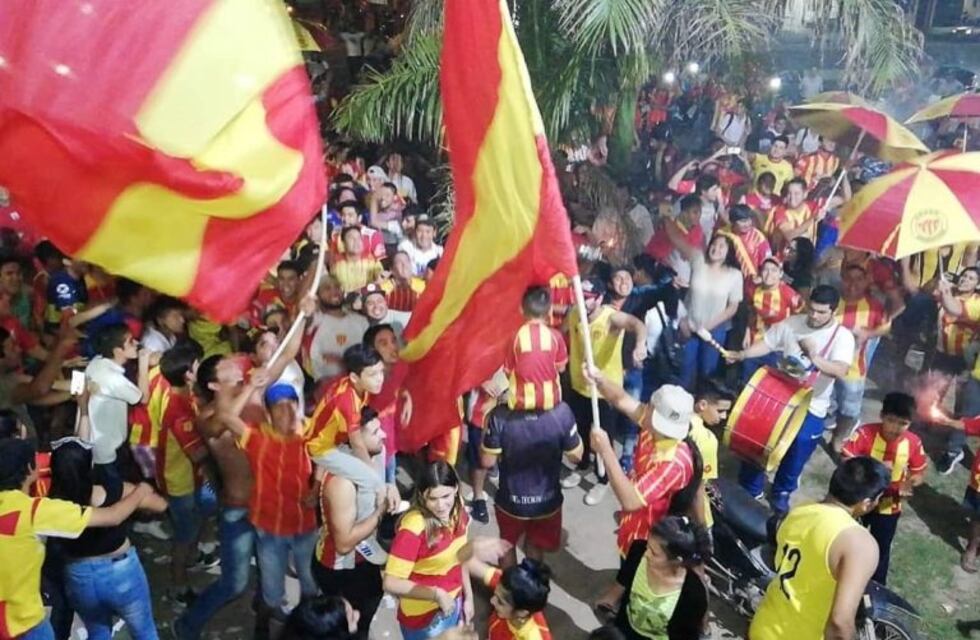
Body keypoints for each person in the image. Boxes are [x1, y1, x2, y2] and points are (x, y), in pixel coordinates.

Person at [0, 438, 157, 640]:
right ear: (31, 469)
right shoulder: (36, 511)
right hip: (23, 621)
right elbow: (113, 516)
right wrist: (142, 490)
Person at [727, 285, 855, 513]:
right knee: (757, 441)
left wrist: (813, 355)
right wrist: (742, 354)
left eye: (821, 312)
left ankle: (781, 493)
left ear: (833, 311)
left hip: (812, 404)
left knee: (797, 451)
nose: (814, 316)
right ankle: (750, 488)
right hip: (780, 396)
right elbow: (768, 342)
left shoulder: (842, 337)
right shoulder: (792, 323)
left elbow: (840, 370)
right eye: (811, 309)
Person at [583, 377, 701, 620]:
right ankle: (619, 589)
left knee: (639, 564)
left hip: (652, 527)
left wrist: (606, 451)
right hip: (637, 520)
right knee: (628, 558)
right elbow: (621, 399)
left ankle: (625, 603)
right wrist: (599, 379)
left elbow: (630, 499)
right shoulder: (654, 426)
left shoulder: (673, 462)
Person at [219, 377, 320, 634]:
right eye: (278, 406)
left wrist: (316, 489)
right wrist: (252, 387)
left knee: (311, 585)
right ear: (268, 412)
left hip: (306, 526)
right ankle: (262, 630)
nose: (285, 410)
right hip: (270, 528)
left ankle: (306, 630)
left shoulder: (312, 433)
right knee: (272, 592)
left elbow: (327, 461)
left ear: (298, 406)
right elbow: (226, 416)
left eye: (290, 404)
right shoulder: (256, 436)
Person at [749, 457, 890, 640]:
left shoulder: (799, 511)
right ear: (865, 503)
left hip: (763, 626)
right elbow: (840, 622)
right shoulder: (859, 544)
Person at [49, 439, 168, 640]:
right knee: (145, 632)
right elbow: (158, 505)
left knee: (97, 633)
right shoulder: (112, 489)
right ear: (90, 468)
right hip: (121, 571)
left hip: (79, 575)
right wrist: (140, 492)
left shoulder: (51, 504)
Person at [312, 406, 395, 639]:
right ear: (355, 438)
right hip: (342, 570)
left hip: (362, 559)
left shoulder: (362, 459)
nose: (384, 435)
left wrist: (388, 488)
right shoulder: (342, 483)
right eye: (376, 432)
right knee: (351, 626)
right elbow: (344, 544)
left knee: (367, 613)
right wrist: (380, 512)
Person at [562, 277, 646, 505]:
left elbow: (635, 324)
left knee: (603, 438)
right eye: (582, 298)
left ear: (600, 298)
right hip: (579, 386)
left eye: (589, 299)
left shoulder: (610, 318)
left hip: (605, 392)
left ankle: (603, 480)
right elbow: (562, 332)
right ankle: (581, 466)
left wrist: (640, 343)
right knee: (580, 432)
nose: (584, 304)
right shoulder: (574, 313)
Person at [481, 397, 583, 567]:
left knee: (506, 545)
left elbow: (487, 462)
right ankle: (531, 585)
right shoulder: (561, 412)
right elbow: (576, 457)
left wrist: (487, 426)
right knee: (536, 544)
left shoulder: (500, 415)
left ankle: (510, 590)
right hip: (547, 501)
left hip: (510, 501)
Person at [840, 392, 925, 584]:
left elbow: (919, 473)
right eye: (891, 421)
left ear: (910, 423)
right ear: (882, 416)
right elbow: (846, 460)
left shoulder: (913, 442)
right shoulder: (864, 433)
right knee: (847, 536)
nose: (896, 428)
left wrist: (910, 482)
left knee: (881, 547)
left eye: (903, 423)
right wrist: (871, 468)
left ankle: (877, 585)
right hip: (859, 499)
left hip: (889, 505)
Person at [155, 342, 216, 607]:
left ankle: (192, 558)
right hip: (180, 482)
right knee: (185, 533)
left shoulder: (185, 396)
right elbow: (197, 454)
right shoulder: (179, 412)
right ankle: (178, 586)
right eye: (197, 364)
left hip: (191, 478)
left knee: (199, 518)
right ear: (188, 374)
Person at [384, 461, 473, 640]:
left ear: (456, 488)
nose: (441, 506)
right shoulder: (413, 528)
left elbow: (461, 557)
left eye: (446, 496)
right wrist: (437, 594)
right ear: (422, 496)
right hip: (423, 618)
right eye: (432, 498)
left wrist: (468, 597)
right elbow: (390, 582)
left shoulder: (459, 511)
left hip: (454, 602)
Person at [663, 227, 743, 392]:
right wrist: (667, 222)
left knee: (707, 374)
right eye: (714, 244)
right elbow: (680, 243)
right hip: (689, 327)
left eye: (722, 247)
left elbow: (732, 307)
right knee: (684, 371)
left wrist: (707, 326)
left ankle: (702, 407)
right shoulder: (699, 260)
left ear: (728, 252)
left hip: (715, 331)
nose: (716, 249)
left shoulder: (734, 275)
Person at [613, 516, 709, 640]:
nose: (646, 554)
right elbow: (625, 578)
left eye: (654, 553)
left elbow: (686, 635)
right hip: (624, 630)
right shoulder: (638, 550)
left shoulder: (692, 594)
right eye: (648, 546)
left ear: (677, 561)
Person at [829, 264, 890, 451]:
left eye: (858, 279)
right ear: (842, 279)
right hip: (826, 367)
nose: (853, 284)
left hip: (854, 369)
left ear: (866, 281)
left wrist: (868, 334)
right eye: (848, 278)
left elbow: (886, 326)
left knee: (849, 411)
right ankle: (830, 424)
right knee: (827, 404)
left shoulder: (873, 306)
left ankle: (840, 437)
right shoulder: (832, 301)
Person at [85, 324, 150, 483]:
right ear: (117, 351)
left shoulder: (97, 362)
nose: (136, 344)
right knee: (114, 488)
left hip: (95, 442)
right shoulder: (113, 379)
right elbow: (143, 398)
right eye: (130, 342)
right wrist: (143, 363)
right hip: (107, 450)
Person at [933, 268, 980, 474]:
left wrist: (945, 294)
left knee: (966, 409)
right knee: (937, 394)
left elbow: (954, 308)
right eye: (964, 275)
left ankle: (955, 450)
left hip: (964, 360)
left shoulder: (976, 302)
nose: (965, 279)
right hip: (949, 357)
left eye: (971, 278)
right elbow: (949, 308)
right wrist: (942, 288)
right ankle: (945, 441)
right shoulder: (951, 292)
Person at [308, 344, 386, 464]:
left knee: (381, 450)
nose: (380, 379)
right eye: (373, 375)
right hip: (323, 449)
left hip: (338, 442)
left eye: (381, 372)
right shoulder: (346, 400)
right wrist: (372, 474)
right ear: (354, 377)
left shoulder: (361, 387)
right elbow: (357, 444)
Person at [742, 258, 803, 381]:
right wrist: (747, 332)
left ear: (781, 274)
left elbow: (801, 316)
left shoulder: (789, 294)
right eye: (766, 270)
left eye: (774, 270)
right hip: (755, 343)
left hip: (778, 348)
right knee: (748, 382)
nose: (769, 274)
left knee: (771, 384)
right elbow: (750, 311)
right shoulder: (753, 290)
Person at [307, 275, 370, 383]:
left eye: (337, 287)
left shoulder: (361, 321)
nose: (334, 291)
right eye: (327, 288)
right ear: (317, 295)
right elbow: (312, 359)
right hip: (326, 387)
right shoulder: (313, 324)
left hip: (359, 385)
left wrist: (344, 363)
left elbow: (369, 356)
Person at [723, 205, 771, 280]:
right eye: (742, 221)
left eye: (749, 220)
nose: (747, 224)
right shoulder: (724, 235)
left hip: (752, 280)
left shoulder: (758, 237)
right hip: (727, 278)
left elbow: (767, 260)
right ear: (732, 222)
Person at [334, 226, 383, 294]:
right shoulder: (336, 263)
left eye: (358, 238)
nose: (356, 241)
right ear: (343, 244)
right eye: (351, 238)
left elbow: (383, 281)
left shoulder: (372, 260)